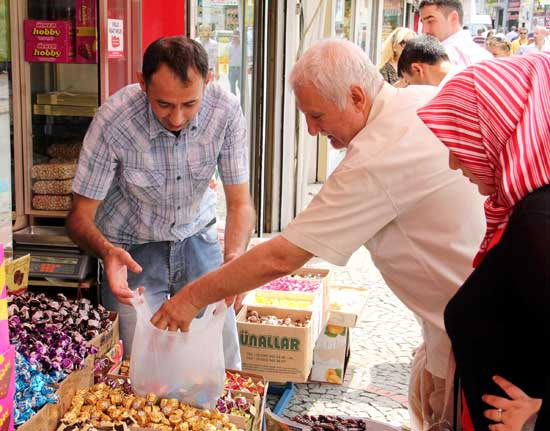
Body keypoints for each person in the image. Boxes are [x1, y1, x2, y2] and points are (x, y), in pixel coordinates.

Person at [151, 38, 486, 431]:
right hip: (455, 322)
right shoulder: (416, 101)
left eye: (317, 115)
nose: (311, 130)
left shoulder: (379, 154)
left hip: (472, 338)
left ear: (357, 97)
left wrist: (191, 297)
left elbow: (283, 256)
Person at [66, 36, 255, 369]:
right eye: (164, 105)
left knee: (220, 361)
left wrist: (234, 260)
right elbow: (79, 217)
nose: (178, 118)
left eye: (190, 104)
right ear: (142, 84)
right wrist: (108, 252)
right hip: (130, 251)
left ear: (208, 81)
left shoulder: (226, 110)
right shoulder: (115, 120)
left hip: (198, 239)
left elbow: (240, 203)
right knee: (136, 368)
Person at [417, 52, 550, 431]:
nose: (454, 163)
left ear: (500, 128)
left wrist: (537, 416)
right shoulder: (523, 208)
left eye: (463, 139)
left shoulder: (539, 218)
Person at [419, 0, 492, 67]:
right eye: (423, 22)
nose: (424, 30)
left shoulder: (442, 58)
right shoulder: (486, 57)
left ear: (453, 18)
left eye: (430, 21)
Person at [228, 29, 241, 96]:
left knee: (240, 85)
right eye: (234, 36)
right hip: (232, 68)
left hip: (240, 69)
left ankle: (243, 101)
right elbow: (228, 56)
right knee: (232, 87)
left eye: (237, 37)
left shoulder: (242, 46)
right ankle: (234, 102)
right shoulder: (230, 45)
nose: (235, 38)